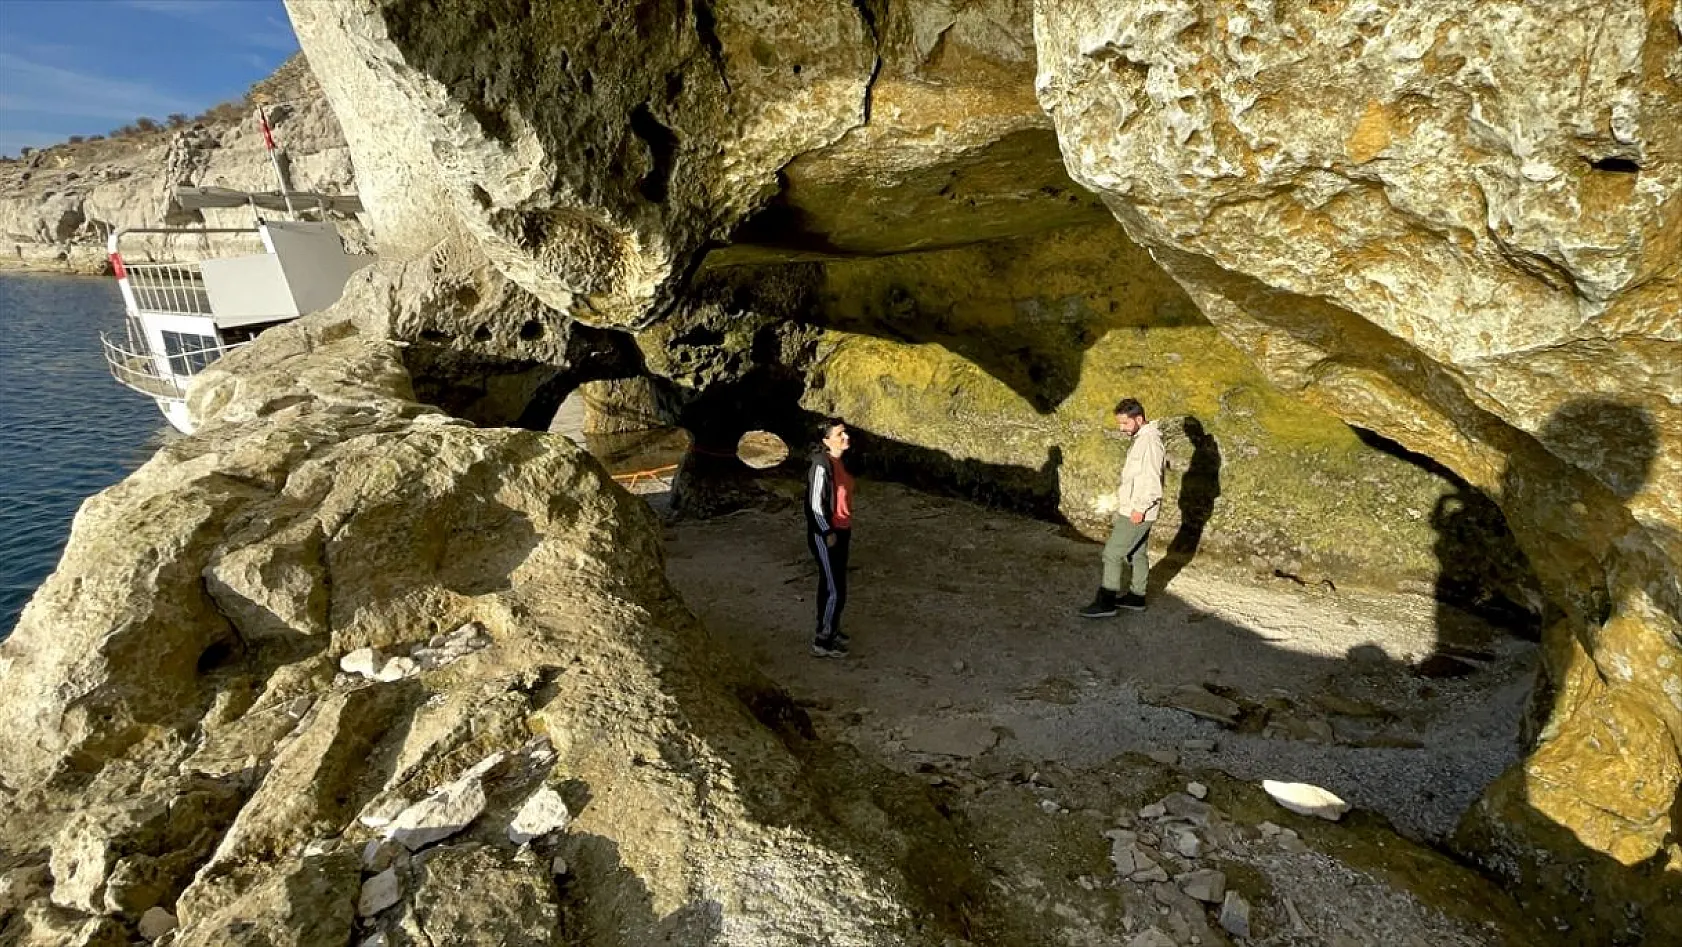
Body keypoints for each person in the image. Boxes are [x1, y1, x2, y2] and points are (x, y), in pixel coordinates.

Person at [1080, 398, 1166, 618]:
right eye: (1119, 424)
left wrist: (1140, 508)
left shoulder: (1150, 443)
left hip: (1137, 511)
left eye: (1125, 424)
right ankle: (1137, 597)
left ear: (1139, 419)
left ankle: (1106, 602)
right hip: (1135, 509)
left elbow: (1152, 481)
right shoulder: (1141, 439)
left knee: (1111, 554)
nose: (1121, 429)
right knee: (1137, 553)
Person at [805, 417, 854, 657]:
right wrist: (827, 532)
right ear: (826, 441)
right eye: (839, 435)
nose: (846, 438)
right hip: (827, 534)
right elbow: (816, 505)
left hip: (841, 530)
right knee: (835, 588)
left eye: (845, 433)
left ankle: (829, 627)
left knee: (833, 583)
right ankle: (824, 639)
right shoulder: (822, 465)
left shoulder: (839, 463)